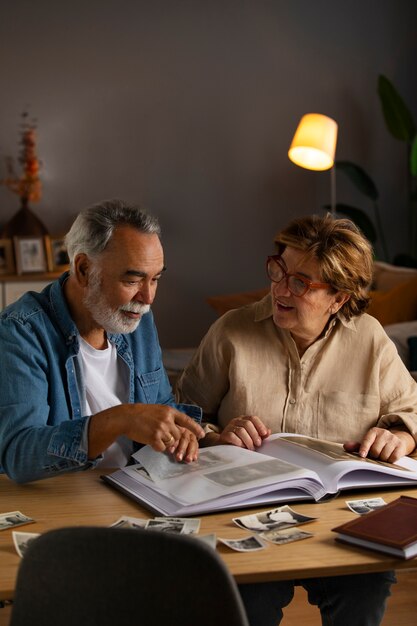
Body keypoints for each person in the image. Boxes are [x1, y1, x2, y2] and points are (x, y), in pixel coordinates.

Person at [177, 214, 417, 626]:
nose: (280, 289)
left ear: (338, 299)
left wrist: (398, 435)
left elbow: (411, 414)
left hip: (345, 526)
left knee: (367, 591)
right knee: (244, 605)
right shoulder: (231, 331)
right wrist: (217, 435)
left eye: (301, 283)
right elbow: (182, 416)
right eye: (279, 270)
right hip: (248, 519)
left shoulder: (371, 339)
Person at [0, 199, 204, 484]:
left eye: (155, 279)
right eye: (133, 281)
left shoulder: (139, 319)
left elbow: (159, 408)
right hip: (63, 501)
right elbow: (17, 454)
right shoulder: (21, 331)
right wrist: (120, 419)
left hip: (138, 488)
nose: (148, 298)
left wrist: (210, 436)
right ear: (83, 269)